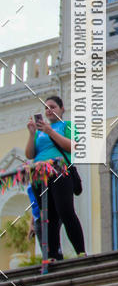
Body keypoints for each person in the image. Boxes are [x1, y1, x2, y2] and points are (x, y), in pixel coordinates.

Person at [25, 95, 86, 261]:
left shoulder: (67, 125)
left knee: (65, 211)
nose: (48, 110)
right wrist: (32, 134)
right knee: (48, 215)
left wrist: (50, 131)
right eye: (46, 108)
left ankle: (80, 251)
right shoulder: (39, 132)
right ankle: (53, 255)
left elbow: (72, 146)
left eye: (52, 107)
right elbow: (30, 154)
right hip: (39, 175)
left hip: (60, 171)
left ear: (62, 109)